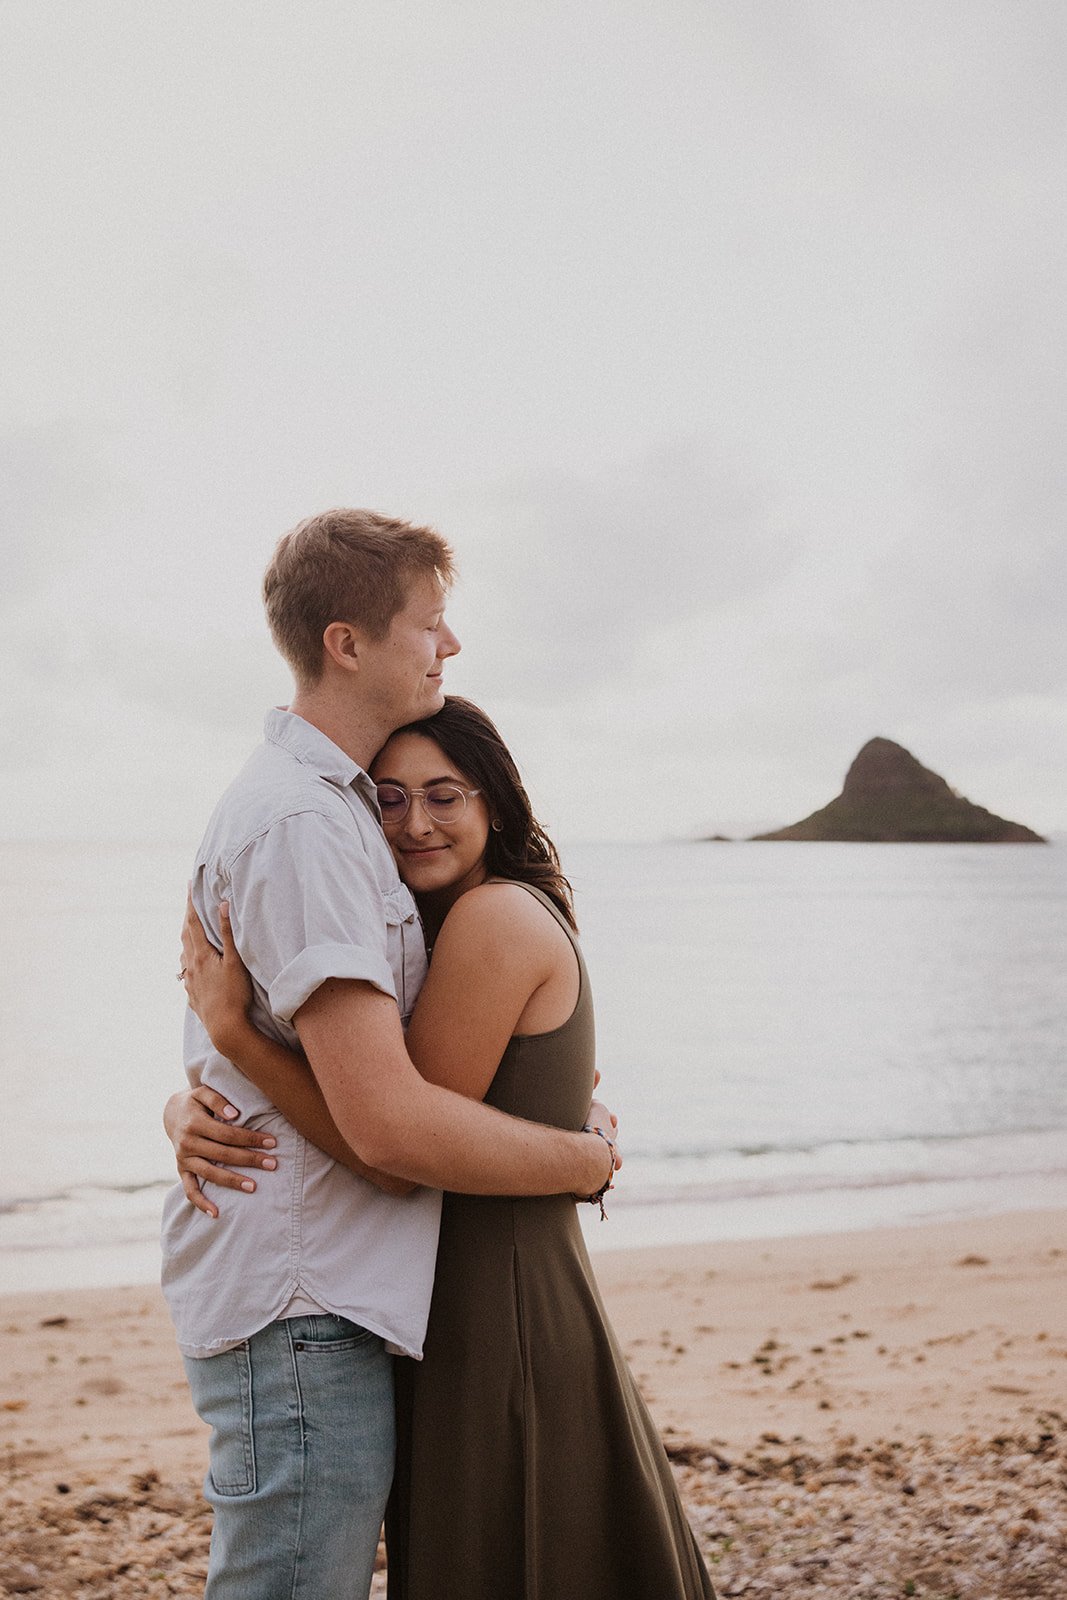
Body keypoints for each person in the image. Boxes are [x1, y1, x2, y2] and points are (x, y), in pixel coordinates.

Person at [161, 509, 619, 1600]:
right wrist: (582, 1160)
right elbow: (386, 1131)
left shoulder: (322, 814)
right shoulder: (310, 827)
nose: (447, 645)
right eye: (429, 621)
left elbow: (296, 1044)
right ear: (347, 642)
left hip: (320, 1292)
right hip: (302, 1296)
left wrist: (213, 1068)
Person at [172, 695, 716, 1600]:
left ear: (493, 805)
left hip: (493, 1309)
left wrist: (237, 1038)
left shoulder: (491, 920)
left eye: (444, 795)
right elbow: (374, 1092)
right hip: (447, 1298)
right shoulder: (432, 933)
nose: (414, 823)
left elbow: (389, 1140)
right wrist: (184, 1107)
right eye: (387, 799)